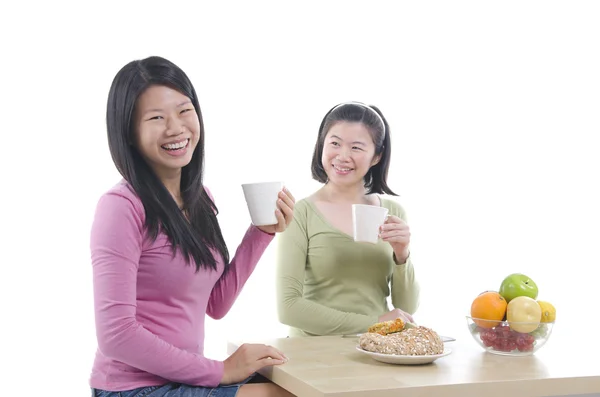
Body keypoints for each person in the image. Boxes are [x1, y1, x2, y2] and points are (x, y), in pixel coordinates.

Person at [89, 56, 296, 397]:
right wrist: (220, 370)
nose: (176, 128)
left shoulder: (200, 198)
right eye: (156, 118)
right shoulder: (121, 207)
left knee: (293, 386)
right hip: (132, 388)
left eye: (184, 111)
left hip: (182, 378)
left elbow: (214, 303)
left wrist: (262, 231)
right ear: (128, 132)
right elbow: (116, 335)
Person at [275, 101, 420, 337]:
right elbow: (288, 308)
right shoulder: (301, 212)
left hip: (375, 350)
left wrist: (402, 255)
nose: (343, 156)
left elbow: (406, 310)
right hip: (312, 355)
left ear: (376, 156)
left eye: (356, 147)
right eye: (334, 143)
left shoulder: (392, 212)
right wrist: (376, 323)